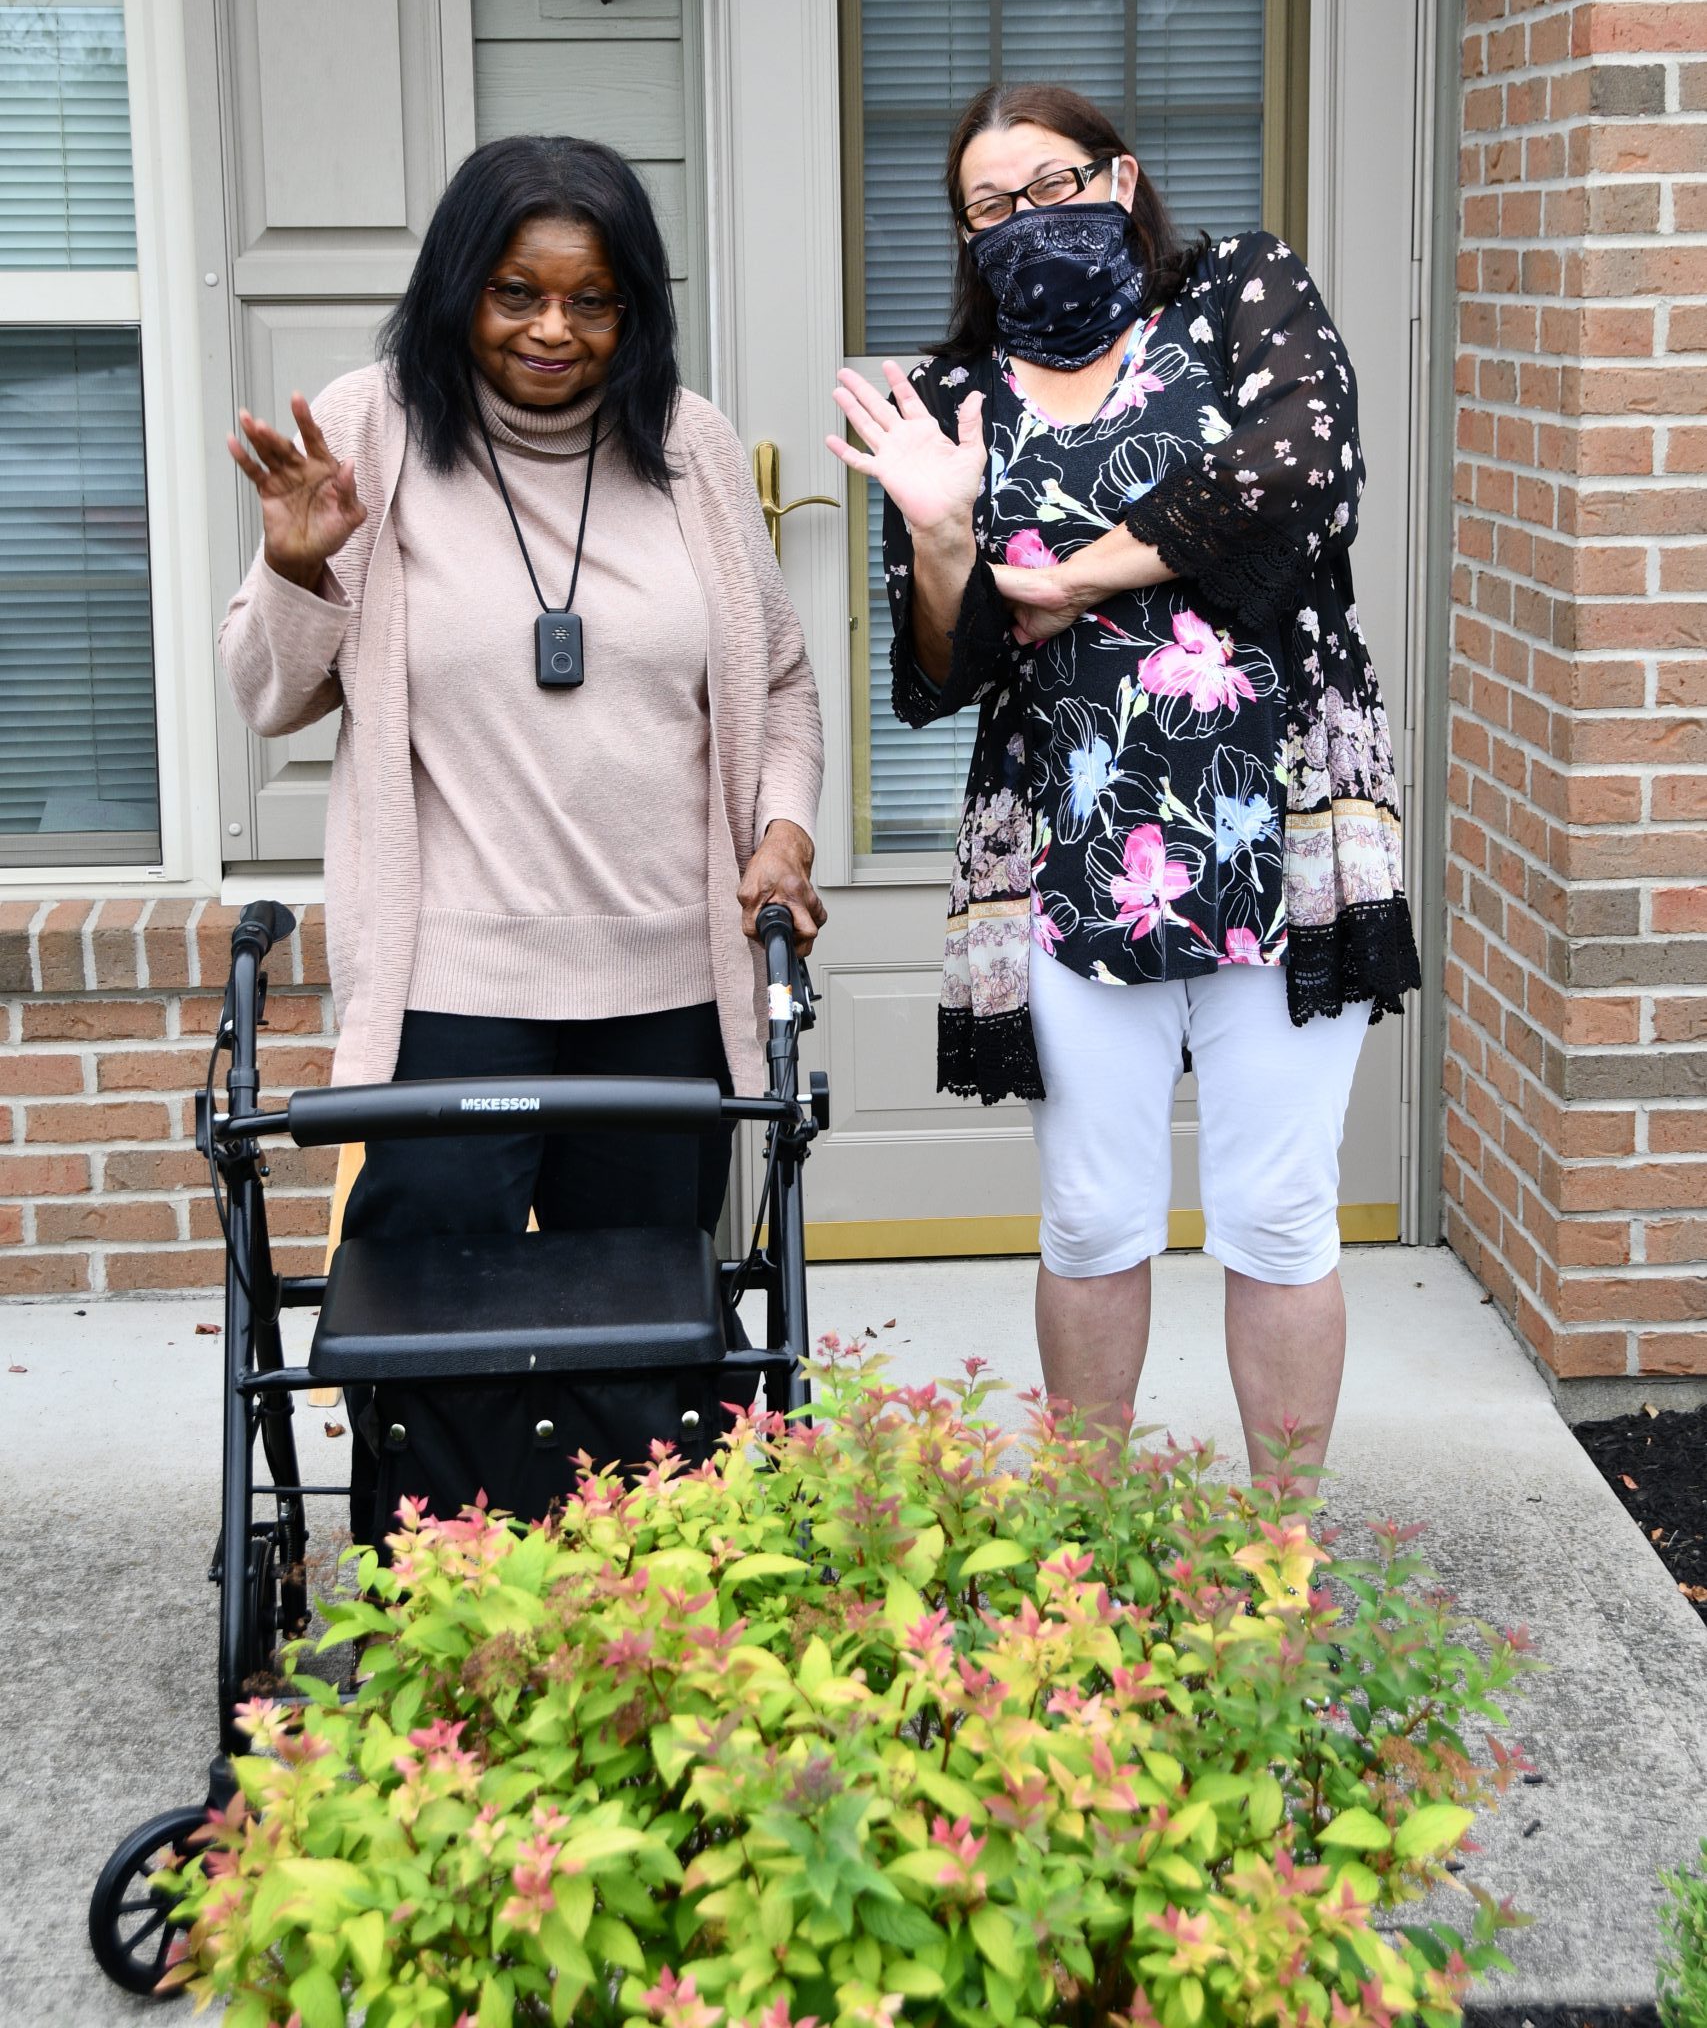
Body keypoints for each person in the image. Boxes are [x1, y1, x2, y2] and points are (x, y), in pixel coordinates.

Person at [221, 134, 824, 1516]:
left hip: (670, 976)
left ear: (634, 308)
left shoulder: (691, 446)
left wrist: (780, 830)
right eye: (513, 292)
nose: (553, 327)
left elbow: (779, 682)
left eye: (591, 297)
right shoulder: (368, 431)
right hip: (456, 982)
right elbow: (269, 694)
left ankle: (640, 1605)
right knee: (433, 1314)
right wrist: (293, 569)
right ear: (456, 293)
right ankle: (436, 1590)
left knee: (644, 1321)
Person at [829, 82, 1418, 1475]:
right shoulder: (952, 399)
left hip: (1283, 836)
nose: (1024, 221)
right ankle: (1087, 1562)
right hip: (1072, 852)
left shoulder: (1234, 293)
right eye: (989, 206)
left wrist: (1072, 574)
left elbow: (1304, 470)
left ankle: (1274, 1572)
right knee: (1094, 1215)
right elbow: (941, 671)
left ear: (1121, 177)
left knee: (1277, 1211)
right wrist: (943, 541)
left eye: (1051, 186)